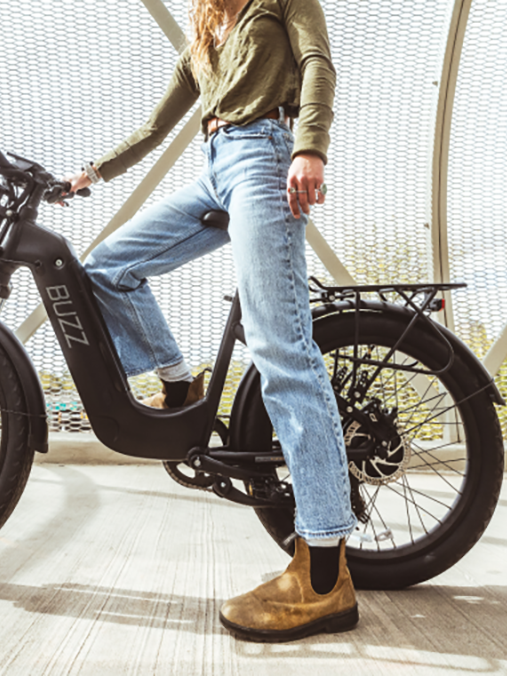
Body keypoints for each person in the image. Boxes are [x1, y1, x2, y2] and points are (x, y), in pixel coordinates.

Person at [65, 0, 357, 642]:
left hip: (267, 155)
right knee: (107, 266)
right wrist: (90, 174)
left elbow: (317, 63)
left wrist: (310, 146)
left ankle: (323, 576)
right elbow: (154, 127)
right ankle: (179, 383)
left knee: (280, 348)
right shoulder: (201, 40)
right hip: (216, 169)